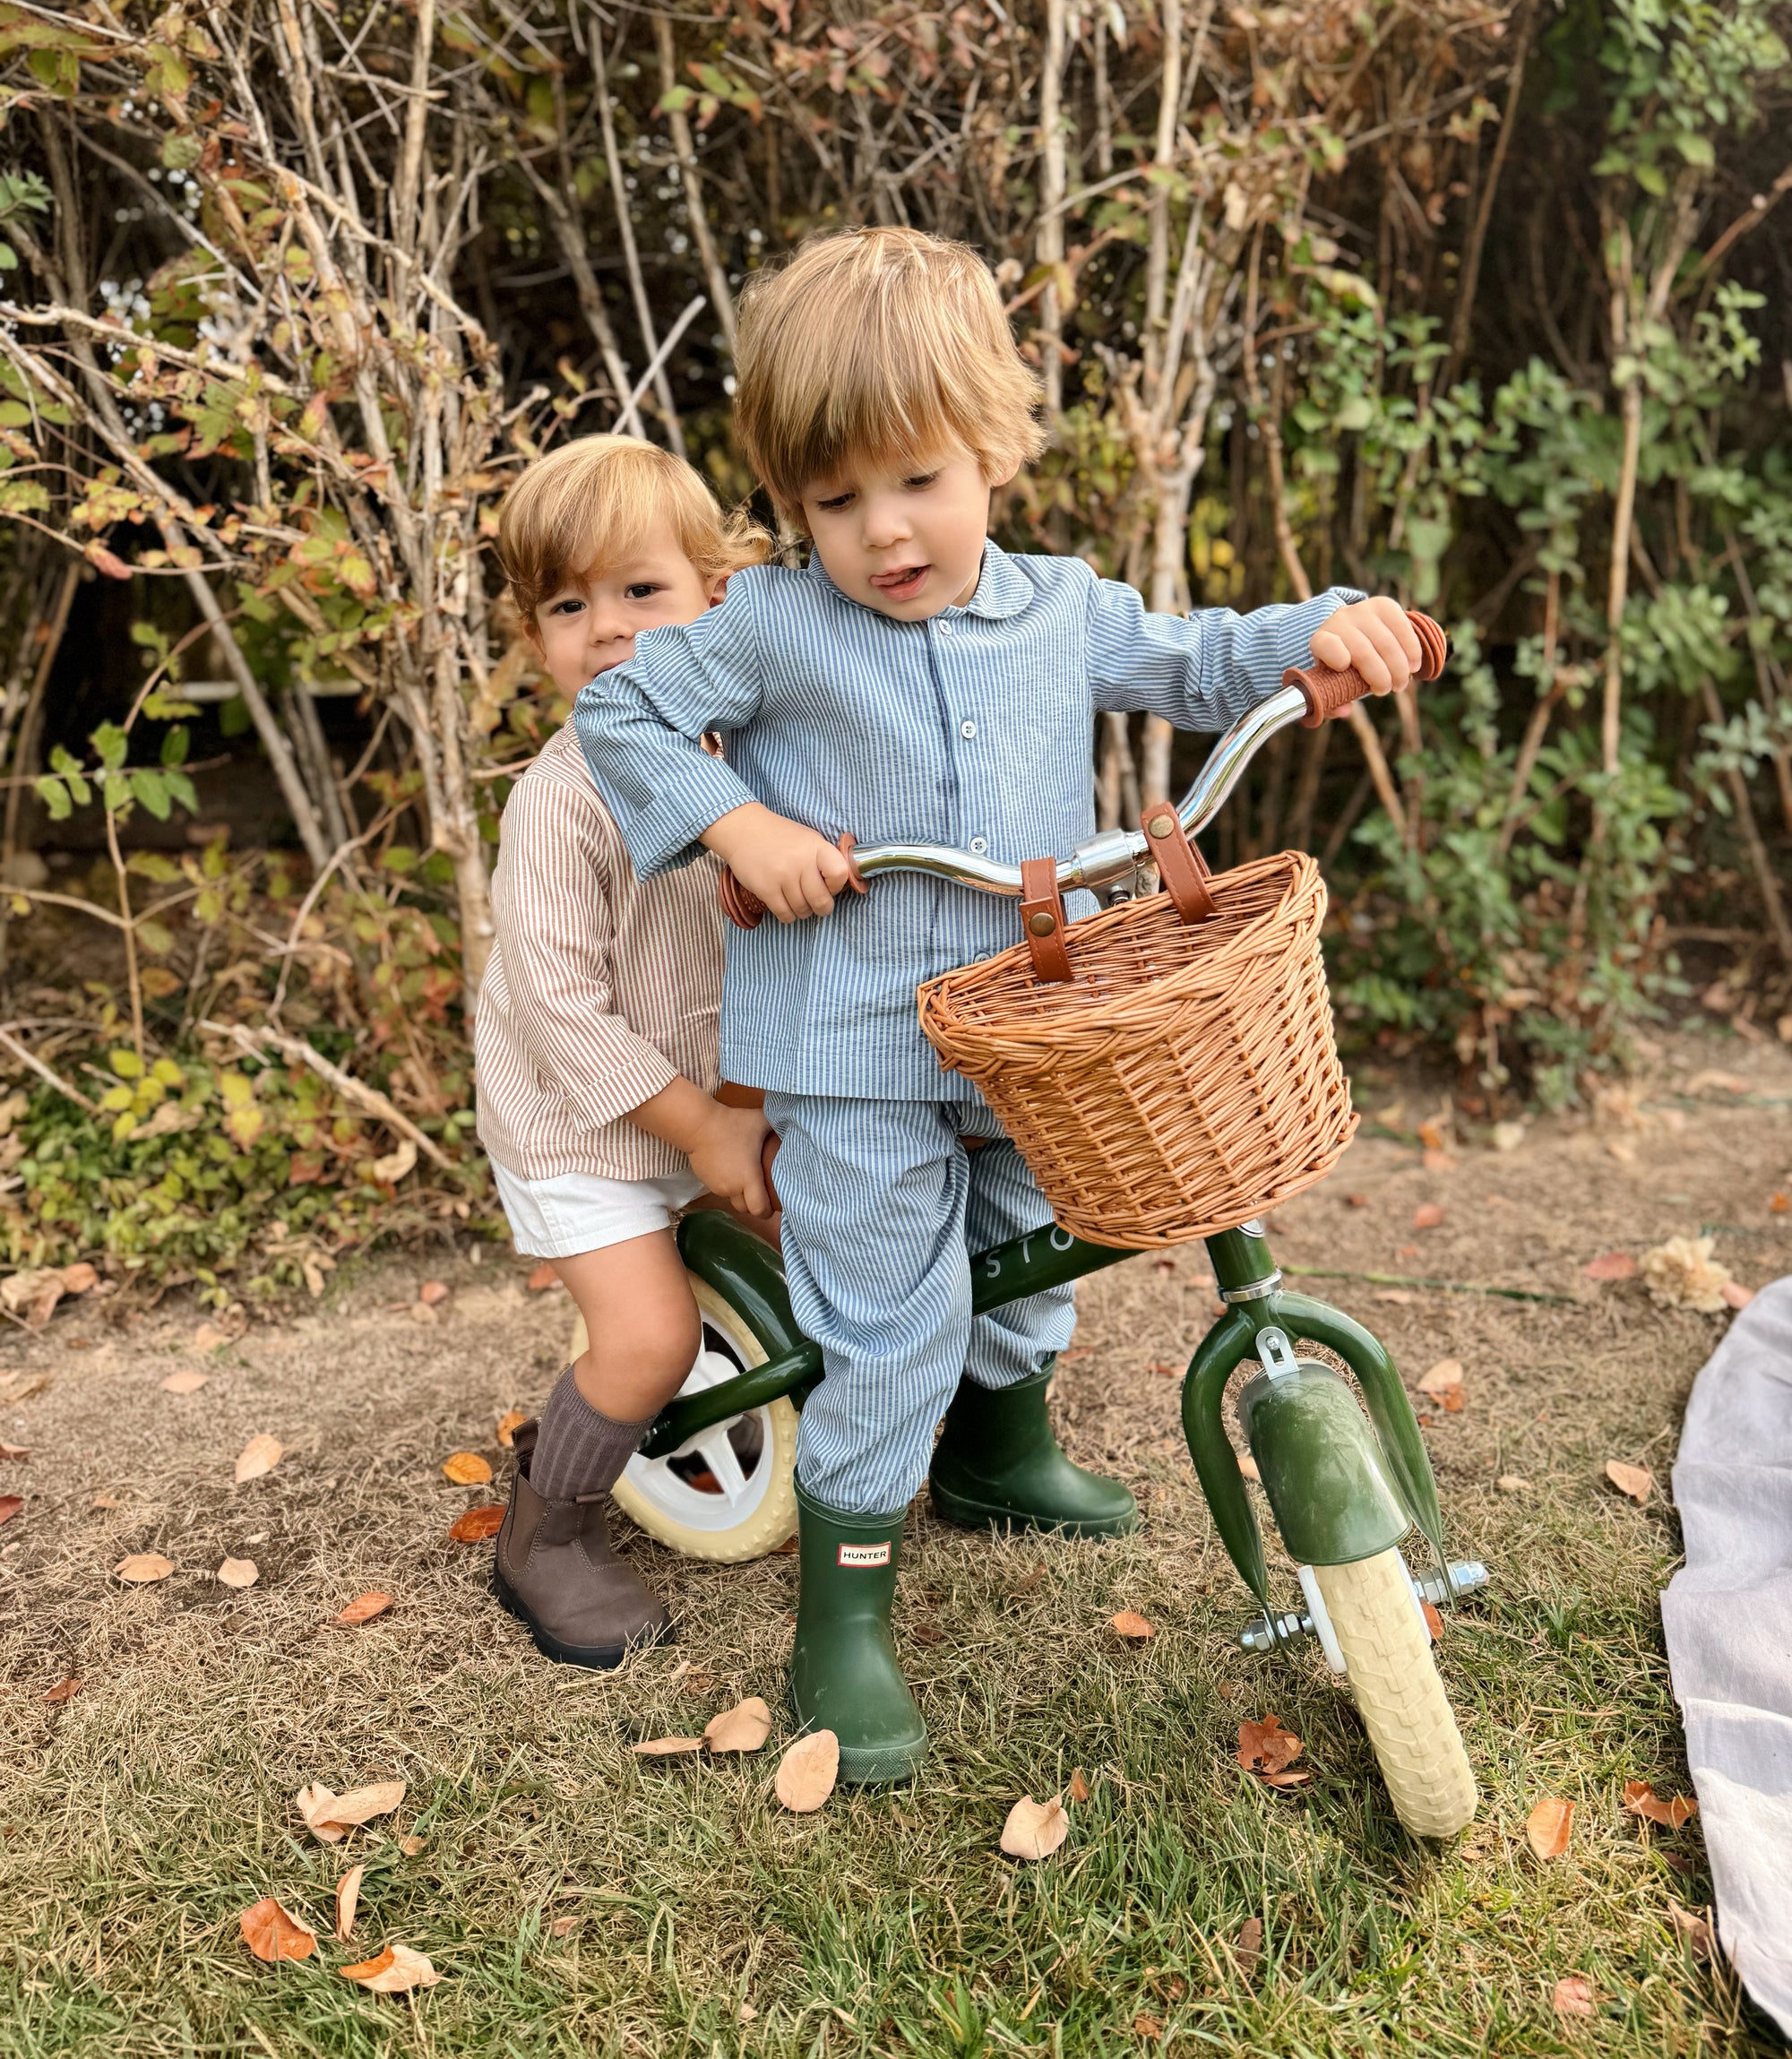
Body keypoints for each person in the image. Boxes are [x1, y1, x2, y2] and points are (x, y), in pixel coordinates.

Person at [575, 228, 1422, 1778]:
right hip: (855, 1044)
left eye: (919, 480)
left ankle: (999, 1452)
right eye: (836, 501)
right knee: (889, 1315)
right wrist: (736, 824)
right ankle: (844, 1610)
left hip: (1037, 1021)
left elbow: (1200, 658)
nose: (884, 531)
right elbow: (622, 707)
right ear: (793, 504)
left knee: (1035, 1250)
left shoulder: (1059, 608)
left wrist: (1322, 629)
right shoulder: (771, 625)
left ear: (993, 450)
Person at [475, 434, 775, 1669]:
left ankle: (793, 1422)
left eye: (640, 590)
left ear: (719, 592)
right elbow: (559, 1009)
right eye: (567, 605)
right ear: (535, 635)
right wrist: (707, 1130)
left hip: (709, 1094)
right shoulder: (561, 800)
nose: (603, 628)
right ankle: (545, 1530)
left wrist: (742, 1108)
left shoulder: (750, 758)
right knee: (649, 1338)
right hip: (574, 1120)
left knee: (820, 1241)